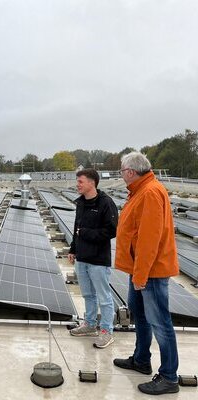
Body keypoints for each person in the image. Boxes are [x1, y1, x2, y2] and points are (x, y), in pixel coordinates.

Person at [113, 152, 179, 395]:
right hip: (140, 269)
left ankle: (169, 376)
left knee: (160, 323)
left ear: (131, 172)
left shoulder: (150, 192)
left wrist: (140, 276)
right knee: (139, 315)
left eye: (121, 170)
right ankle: (141, 359)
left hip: (150, 271)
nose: (121, 174)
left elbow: (149, 240)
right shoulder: (141, 190)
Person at [68, 168, 118, 348]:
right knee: (88, 295)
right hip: (82, 257)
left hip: (98, 260)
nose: (77, 185)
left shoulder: (106, 203)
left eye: (80, 181)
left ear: (92, 182)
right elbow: (76, 228)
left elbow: (112, 231)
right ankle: (89, 324)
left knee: (104, 297)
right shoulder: (81, 203)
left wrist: (86, 233)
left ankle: (106, 331)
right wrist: (73, 249)